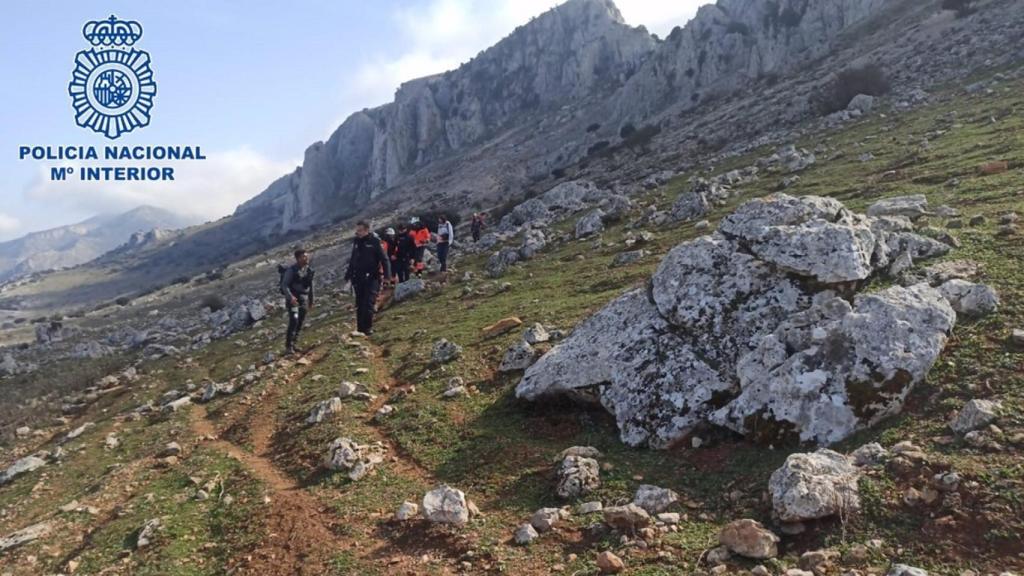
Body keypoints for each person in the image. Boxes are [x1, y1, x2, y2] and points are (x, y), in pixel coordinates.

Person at [344, 221, 391, 336]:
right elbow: (353, 259)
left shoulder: (375, 242)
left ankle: (368, 328)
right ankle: (360, 328)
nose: (357, 232)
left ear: (366, 230)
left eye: (360, 230)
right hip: (358, 278)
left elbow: (384, 259)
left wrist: (387, 276)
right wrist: (348, 274)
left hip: (372, 277)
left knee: (369, 302)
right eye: (357, 230)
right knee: (359, 303)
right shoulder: (357, 242)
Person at [280, 248, 315, 355]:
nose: (306, 258)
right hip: (294, 301)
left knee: (300, 322)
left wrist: (311, 300)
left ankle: (294, 344)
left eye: (307, 256)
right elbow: (284, 285)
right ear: (298, 258)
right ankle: (288, 347)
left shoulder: (308, 270)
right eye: (304, 256)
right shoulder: (291, 271)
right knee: (294, 320)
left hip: (303, 300)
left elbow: (310, 285)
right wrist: (291, 298)